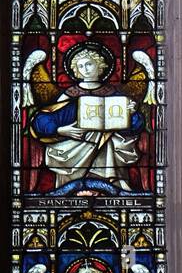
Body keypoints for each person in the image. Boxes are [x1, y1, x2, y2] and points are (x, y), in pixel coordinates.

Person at [27, 43, 147, 193]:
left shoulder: (113, 95)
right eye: (81, 66)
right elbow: (41, 120)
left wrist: (132, 113)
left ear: (100, 65)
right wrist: (61, 130)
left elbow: (134, 127)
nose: (85, 69)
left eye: (89, 64)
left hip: (107, 149)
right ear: (75, 70)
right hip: (73, 150)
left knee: (107, 138)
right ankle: (70, 191)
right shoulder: (69, 94)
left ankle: (113, 188)